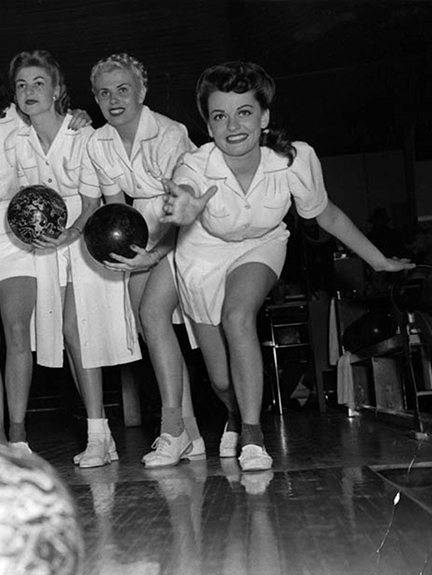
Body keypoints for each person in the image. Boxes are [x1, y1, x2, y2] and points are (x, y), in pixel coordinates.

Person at [161, 61, 414, 471]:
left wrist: (379, 260)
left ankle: (252, 436)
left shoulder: (295, 159)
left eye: (244, 112)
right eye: (220, 116)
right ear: (208, 126)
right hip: (203, 253)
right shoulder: (194, 165)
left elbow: (327, 214)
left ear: (264, 117)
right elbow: (187, 191)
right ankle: (234, 413)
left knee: (238, 315)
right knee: (221, 379)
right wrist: (186, 206)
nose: (233, 126)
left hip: (262, 244)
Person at [0, 46, 91, 452]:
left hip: (16, 235)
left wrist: (79, 115)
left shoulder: (16, 118)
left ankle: (19, 433)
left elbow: (56, 119)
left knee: (18, 330)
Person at [5, 49, 141, 467]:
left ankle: (99, 433)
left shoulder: (83, 134)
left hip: (84, 241)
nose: (29, 91)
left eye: (38, 83)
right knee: (69, 340)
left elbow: (92, 201)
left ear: (57, 90)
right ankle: (101, 435)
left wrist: (70, 234)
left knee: (78, 332)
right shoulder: (16, 141)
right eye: (22, 85)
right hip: (46, 250)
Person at [84, 53, 203, 468]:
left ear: (142, 91)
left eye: (123, 90)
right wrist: (124, 252)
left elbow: (181, 207)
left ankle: (172, 430)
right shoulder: (98, 142)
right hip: (142, 226)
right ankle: (190, 433)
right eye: (104, 93)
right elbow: (117, 208)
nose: (114, 100)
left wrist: (155, 253)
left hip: (184, 226)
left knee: (154, 316)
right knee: (152, 330)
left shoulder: (170, 133)